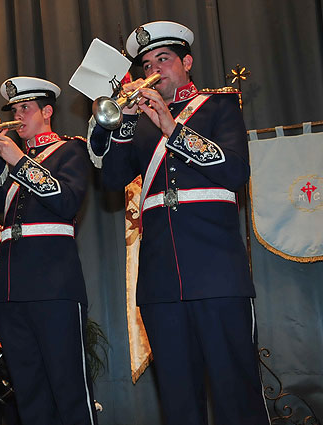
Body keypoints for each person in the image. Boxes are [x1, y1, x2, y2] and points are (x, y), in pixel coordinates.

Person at [88, 20, 270, 425]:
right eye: (147, 64)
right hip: (161, 279)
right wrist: (126, 124)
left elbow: (236, 171)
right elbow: (112, 179)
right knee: (177, 399)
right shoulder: (138, 122)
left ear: (186, 62)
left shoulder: (219, 105)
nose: (154, 70)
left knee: (234, 393)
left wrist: (172, 128)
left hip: (217, 275)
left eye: (164, 59)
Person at [0, 77, 97, 425]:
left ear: (47, 111)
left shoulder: (71, 149)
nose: (18, 116)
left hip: (54, 286)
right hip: (10, 289)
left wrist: (19, 162)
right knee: (28, 390)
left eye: (25, 108)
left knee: (68, 387)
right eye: (14, 110)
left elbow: (66, 202)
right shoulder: (7, 160)